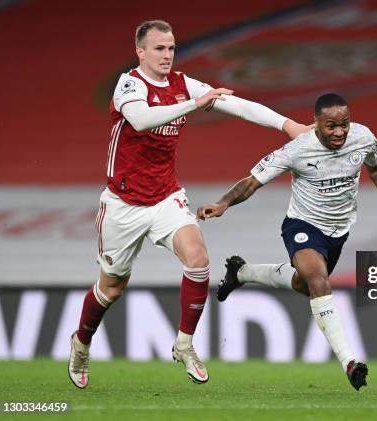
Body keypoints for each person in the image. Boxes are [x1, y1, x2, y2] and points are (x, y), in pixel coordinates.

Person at [67, 19, 310, 389]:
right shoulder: (129, 83)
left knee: (198, 260)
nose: (167, 55)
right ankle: (81, 344)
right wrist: (194, 104)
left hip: (166, 197)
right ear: (141, 52)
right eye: (159, 48)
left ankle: (184, 343)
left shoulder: (183, 85)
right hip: (123, 204)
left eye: (171, 48)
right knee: (112, 288)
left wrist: (287, 125)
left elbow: (236, 105)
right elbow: (141, 119)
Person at [198, 93, 377, 391]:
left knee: (306, 285)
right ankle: (350, 362)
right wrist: (223, 203)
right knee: (318, 281)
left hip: (339, 232)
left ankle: (241, 272)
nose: (340, 132)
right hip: (302, 225)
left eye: (344, 124)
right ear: (315, 123)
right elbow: (253, 180)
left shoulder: (364, 138)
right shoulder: (297, 150)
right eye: (331, 126)